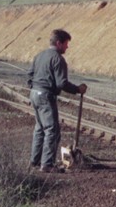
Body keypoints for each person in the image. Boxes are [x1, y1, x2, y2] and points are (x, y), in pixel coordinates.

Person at [27, 28, 87, 172]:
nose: (67, 46)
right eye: (66, 43)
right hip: (45, 95)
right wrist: (78, 89)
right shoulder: (58, 59)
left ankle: (35, 162)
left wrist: (36, 88)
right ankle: (47, 165)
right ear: (59, 43)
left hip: (34, 93)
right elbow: (62, 83)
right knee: (52, 130)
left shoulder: (39, 56)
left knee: (40, 129)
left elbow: (29, 76)